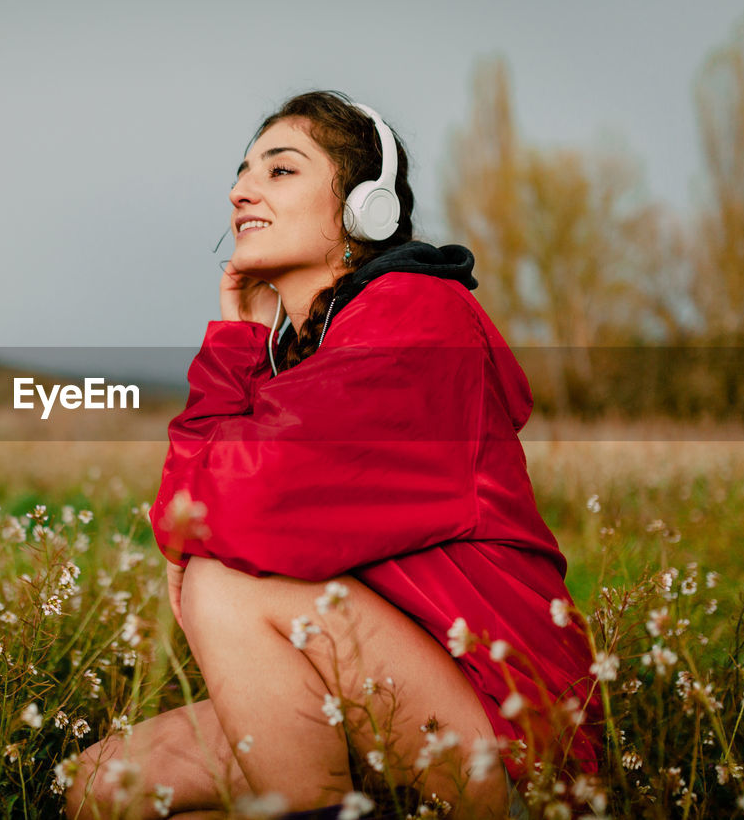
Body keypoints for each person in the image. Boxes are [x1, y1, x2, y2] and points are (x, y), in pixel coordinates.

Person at [63, 90, 602, 819]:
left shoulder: (418, 318)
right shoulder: (303, 353)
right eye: (242, 172)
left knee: (225, 583)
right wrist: (240, 343)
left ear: (363, 209)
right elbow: (200, 509)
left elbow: (239, 506)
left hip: (508, 732)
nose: (241, 189)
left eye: (281, 170)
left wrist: (190, 547)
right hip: (392, 685)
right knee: (101, 784)